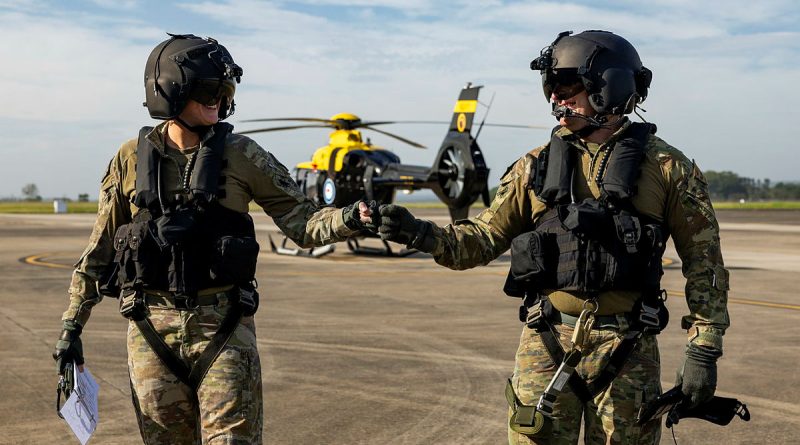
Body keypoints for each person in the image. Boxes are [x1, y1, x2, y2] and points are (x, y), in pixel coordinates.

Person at [373, 30, 729, 444]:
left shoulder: (669, 169)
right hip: (546, 341)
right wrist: (419, 233)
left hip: (628, 349)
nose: (557, 99)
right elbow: (480, 240)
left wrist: (704, 346)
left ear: (609, 87)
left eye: (570, 86)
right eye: (553, 88)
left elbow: (705, 264)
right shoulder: (534, 167)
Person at [52, 33, 372, 445]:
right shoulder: (130, 159)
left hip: (223, 329)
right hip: (150, 333)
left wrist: (351, 217)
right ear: (169, 90)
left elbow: (304, 223)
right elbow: (98, 252)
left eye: (226, 90)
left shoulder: (243, 155)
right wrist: (71, 327)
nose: (219, 100)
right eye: (209, 89)